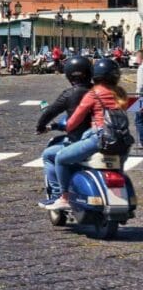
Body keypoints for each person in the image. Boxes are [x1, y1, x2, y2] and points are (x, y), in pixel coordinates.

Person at [47, 58, 129, 211]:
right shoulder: (121, 94)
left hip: (99, 137)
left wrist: (62, 126)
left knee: (60, 158)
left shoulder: (94, 94)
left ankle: (64, 197)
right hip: (122, 141)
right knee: (117, 169)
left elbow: (74, 121)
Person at [35, 56, 93, 207]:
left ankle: (59, 195)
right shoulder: (98, 91)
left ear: (68, 74)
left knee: (49, 155)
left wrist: (40, 126)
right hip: (103, 141)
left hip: (81, 142)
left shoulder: (69, 94)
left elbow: (50, 112)